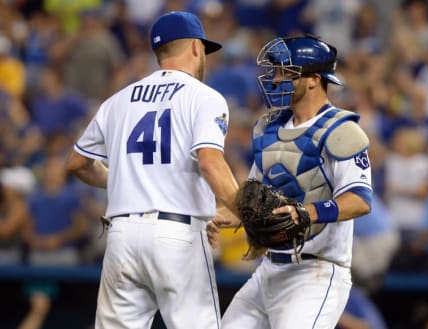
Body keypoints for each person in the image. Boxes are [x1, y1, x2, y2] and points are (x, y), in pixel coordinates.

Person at [66, 11, 239, 329]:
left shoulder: (117, 101)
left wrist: (127, 182)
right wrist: (246, 212)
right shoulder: (204, 97)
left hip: (122, 237)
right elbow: (210, 162)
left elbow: (77, 163)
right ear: (196, 48)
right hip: (178, 236)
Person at [208, 35, 372, 329]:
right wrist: (224, 216)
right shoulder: (268, 127)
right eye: (275, 71)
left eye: (285, 72)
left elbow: (359, 200)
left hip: (316, 273)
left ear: (313, 79)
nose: (274, 80)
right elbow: (256, 198)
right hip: (268, 269)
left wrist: (305, 213)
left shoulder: (341, 129)